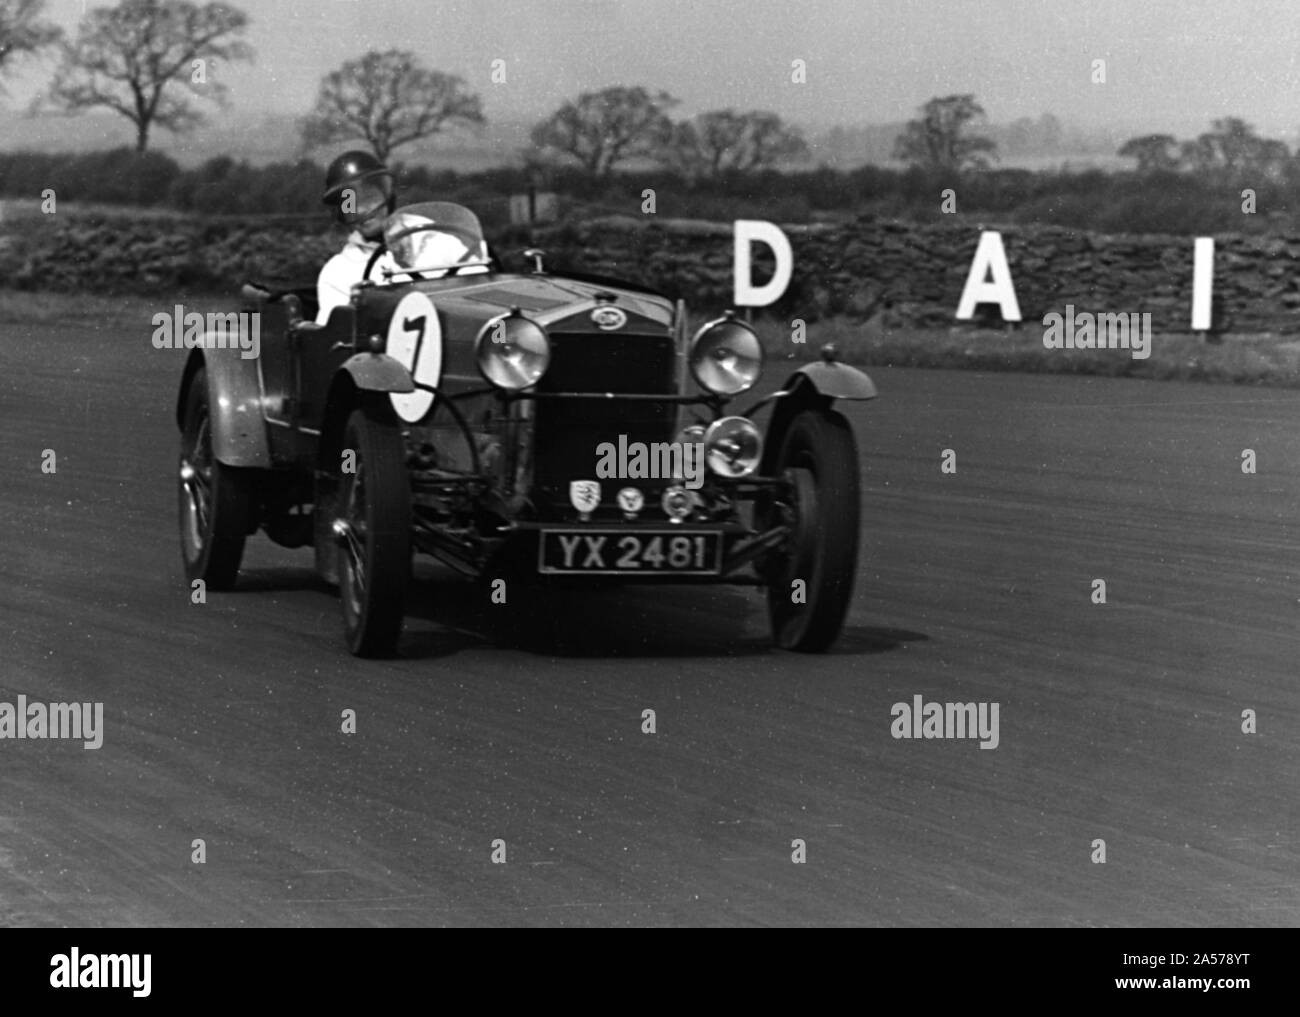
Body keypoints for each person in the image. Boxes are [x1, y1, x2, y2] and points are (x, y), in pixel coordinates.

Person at [316, 150, 399, 323]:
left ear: (386, 195)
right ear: (342, 213)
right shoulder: (338, 272)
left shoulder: (429, 237)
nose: (361, 210)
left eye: (369, 198)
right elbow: (337, 335)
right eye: (350, 205)